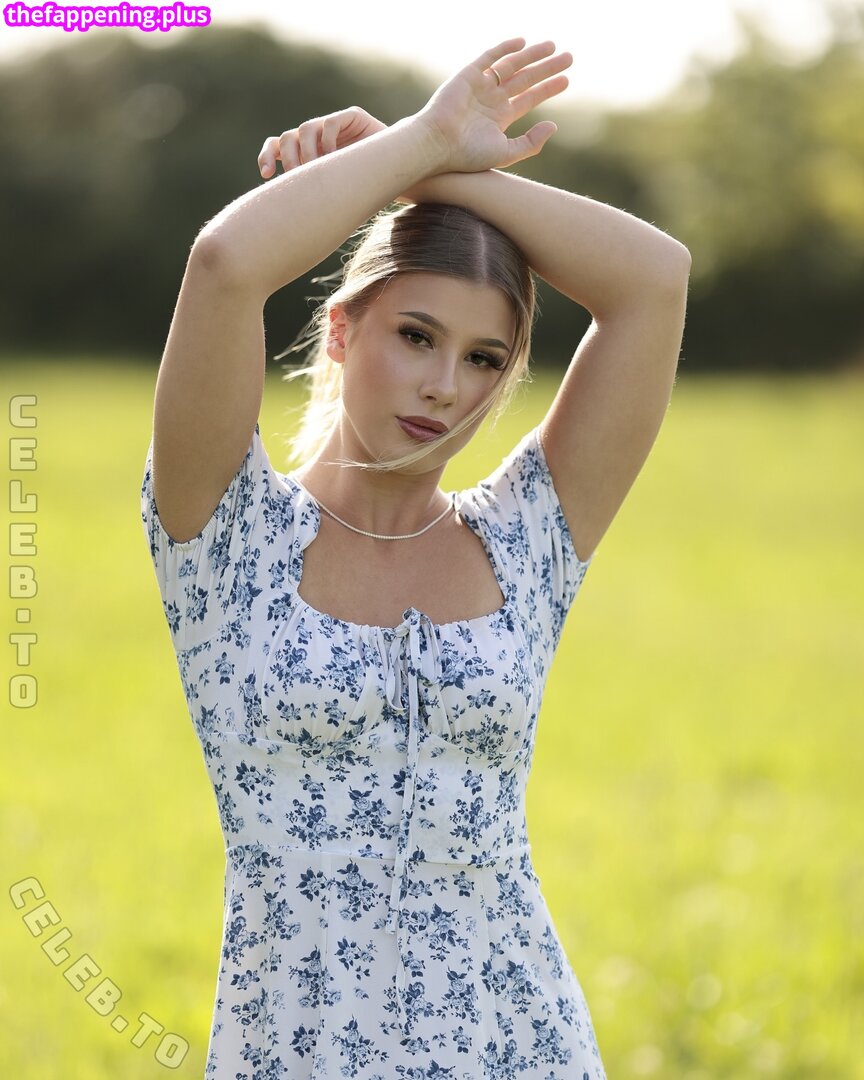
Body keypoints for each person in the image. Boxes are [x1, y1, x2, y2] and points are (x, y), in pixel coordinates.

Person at [140, 37, 689, 1080]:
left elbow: (655, 279)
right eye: (416, 336)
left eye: (484, 358)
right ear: (342, 335)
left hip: (523, 1044)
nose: (445, 385)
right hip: (299, 1048)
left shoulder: (527, 537)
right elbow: (223, 265)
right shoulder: (227, 534)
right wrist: (418, 140)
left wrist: (427, 169)